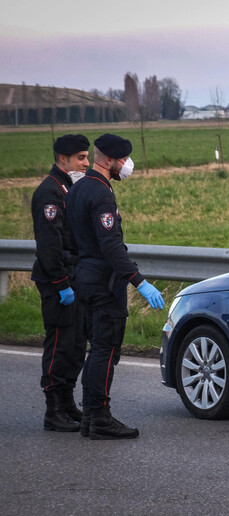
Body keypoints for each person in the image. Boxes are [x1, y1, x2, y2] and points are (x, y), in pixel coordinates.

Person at [66, 133, 165, 440]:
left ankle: (89, 419)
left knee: (96, 349)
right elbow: (111, 246)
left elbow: (70, 240)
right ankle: (99, 418)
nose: (126, 165)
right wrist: (140, 282)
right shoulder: (101, 194)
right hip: (103, 282)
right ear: (108, 160)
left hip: (83, 277)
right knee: (105, 351)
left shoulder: (77, 189)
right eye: (123, 160)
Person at [31, 134, 91, 432]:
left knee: (77, 344)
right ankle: (53, 410)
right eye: (81, 157)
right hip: (58, 280)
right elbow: (49, 244)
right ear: (63, 159)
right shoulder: (50, 192)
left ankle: (67, 403)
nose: (86, 162)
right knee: (60, 344)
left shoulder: (70, 187)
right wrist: (60, 282)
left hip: (75, 276)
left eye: (87, 156)